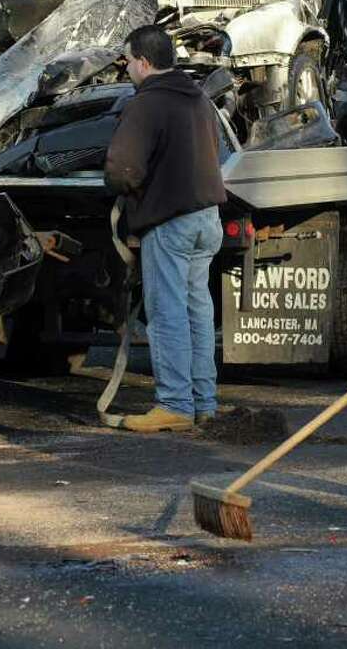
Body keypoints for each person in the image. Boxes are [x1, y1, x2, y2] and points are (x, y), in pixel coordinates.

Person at [104, 25, 227, 433]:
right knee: (197, 310)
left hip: (170, 223)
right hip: (207, 218)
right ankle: (204, 402)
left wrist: (123, 193)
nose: (126, 70)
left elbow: (123, 170)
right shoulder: (199, 98)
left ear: (142, 61)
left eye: (126, 62)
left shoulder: (146, 103)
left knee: (167, 313)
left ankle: (174, 404)